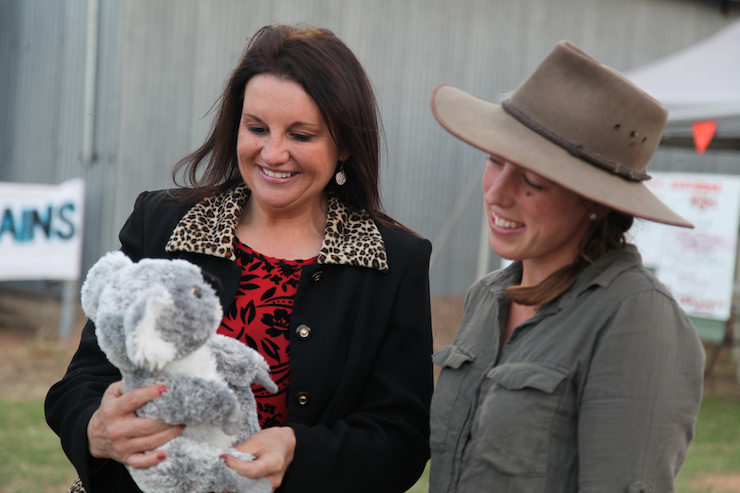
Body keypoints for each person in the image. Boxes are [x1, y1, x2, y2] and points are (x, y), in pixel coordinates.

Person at [46, 24, 433, 493]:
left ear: (345, 144)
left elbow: (402, 437)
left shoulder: (393, 262)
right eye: (256, 128)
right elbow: (83, 380)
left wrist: (297, 451)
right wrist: (95, 427)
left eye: (301, 134)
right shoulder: (163, 223)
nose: (273, 153)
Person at [428, 41, 705, 492]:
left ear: (594, 202)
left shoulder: (635, 318)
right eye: (494, 160)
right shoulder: (488, 296)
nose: (497, 192)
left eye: (532, 179)